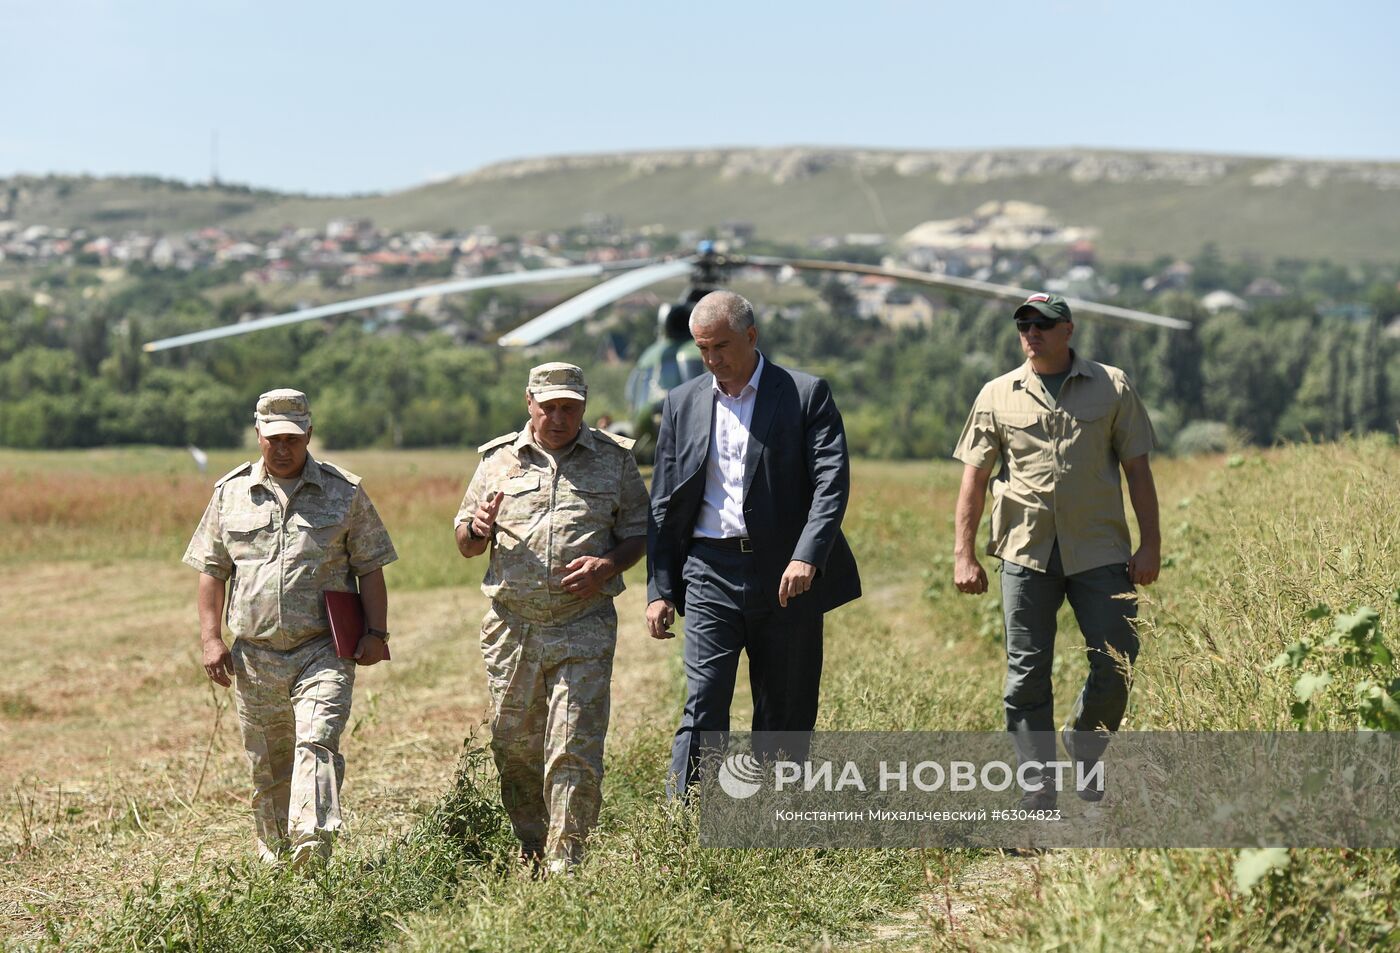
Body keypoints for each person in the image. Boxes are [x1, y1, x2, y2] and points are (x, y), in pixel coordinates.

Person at [646, 290, 861, 796]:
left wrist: (808, 555)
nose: (712, 359)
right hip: (708, 570)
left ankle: (773, 823)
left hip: (787, 576)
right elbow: (663, 502)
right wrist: (659, 588)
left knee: (785, 708)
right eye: (703, 348)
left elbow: (832, 482)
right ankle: (689, 824)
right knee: (703, 699)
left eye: (721, 346)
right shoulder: (682, 403)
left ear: (751, 336)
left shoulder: (806, 394)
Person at [952, 292, 1160, 808]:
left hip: (1101, 550)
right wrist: (964, 553)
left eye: (1042, 324)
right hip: (1025, 551)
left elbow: (1138, 470)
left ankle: (1086, 745)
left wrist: (1150, 544)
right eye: (1024, 325)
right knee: (1027, 673)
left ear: (1068, 330)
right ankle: (1037, 783)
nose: (1031, 333)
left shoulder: (1111, 386)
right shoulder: (997, 394)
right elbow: (973, 480)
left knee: (1118, 659)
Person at [184, 389, 397, 865]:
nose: (283, 448)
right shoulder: (231, 493)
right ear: (258, 434)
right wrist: (211, 639)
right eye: (274, 438)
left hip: (322, 649)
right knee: (269, 764)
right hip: (254, 655)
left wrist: (376, 634)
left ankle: (311, 848)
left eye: (293, 439)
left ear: (309, 436)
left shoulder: (344, 492)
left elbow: (371, 566)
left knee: (317, 740)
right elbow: (211, 570)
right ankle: (276, 859)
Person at [455, 362, 647, 873]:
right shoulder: (497, 461)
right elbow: (466, 544)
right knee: (515, 745)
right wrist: (477, 527)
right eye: (549, 408)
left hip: (582, 623)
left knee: (573, 744)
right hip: (512, 628)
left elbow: (640, 532)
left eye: (570, 408)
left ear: (584, 406)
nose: (559, 418)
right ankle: (534, 846)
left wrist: (609, 563)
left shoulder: (614, 460)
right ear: (530, 404)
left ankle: (569, 860)